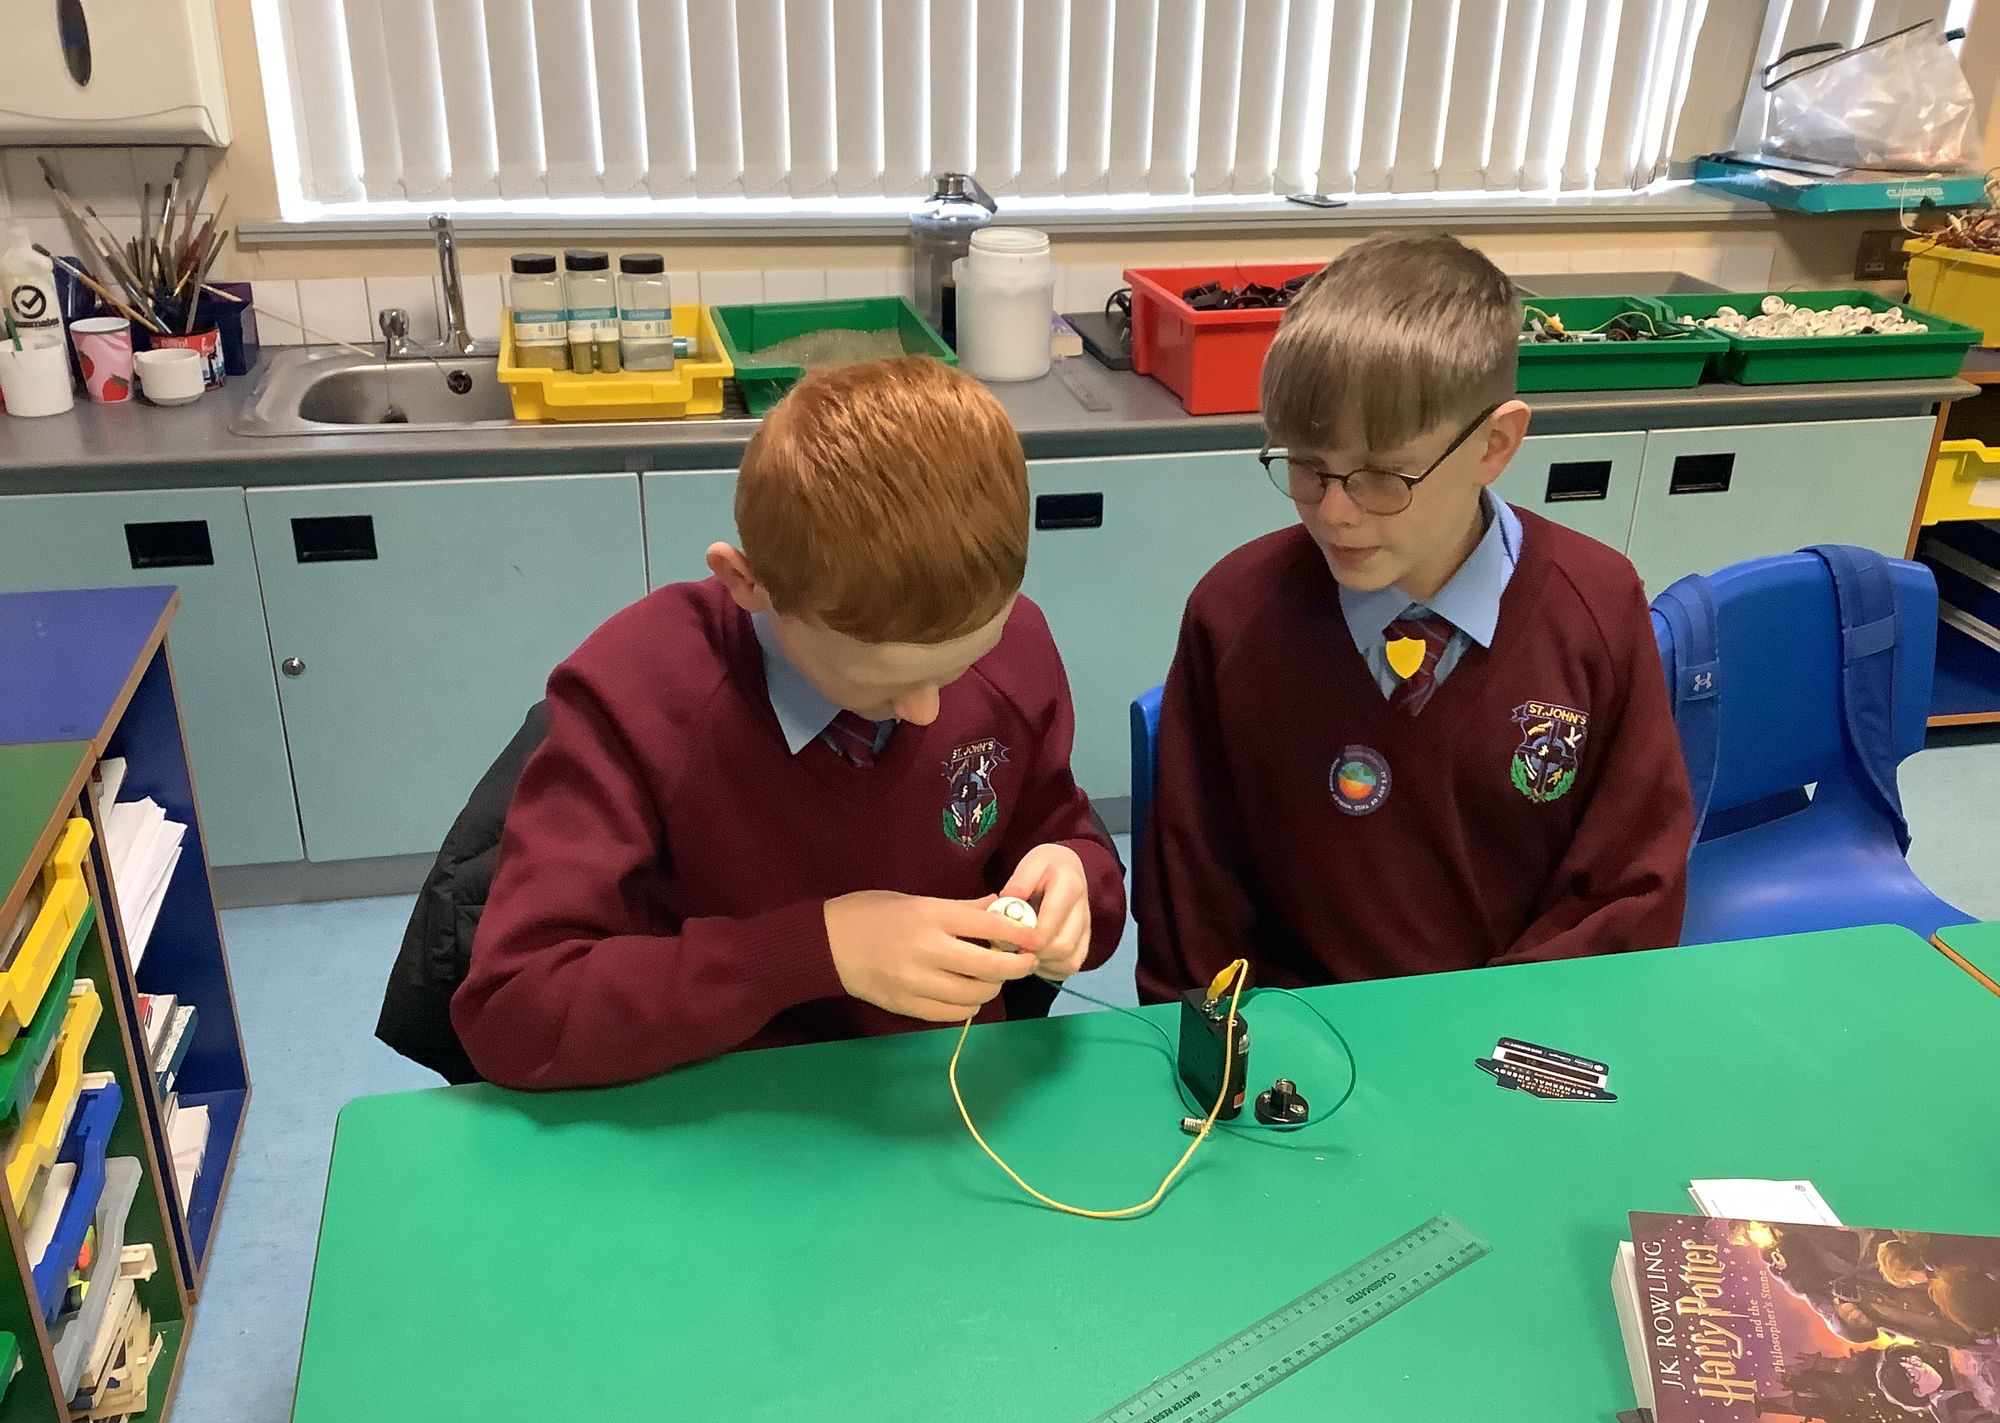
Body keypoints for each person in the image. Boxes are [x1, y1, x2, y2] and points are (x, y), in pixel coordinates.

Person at [456, 357, 1127, 1089]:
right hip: (715, 1103)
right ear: (748, 583)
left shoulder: (1015, 649)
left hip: (936, 1095)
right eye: (883, 680)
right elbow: (516, 1014)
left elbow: (1062, 832)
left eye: (962, 663)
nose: (929, 711)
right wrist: (815, 950)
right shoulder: (637, 691)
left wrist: (1076, 880)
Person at [1137, 233, 1691, 1001]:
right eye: (1306, 465)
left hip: (1513, 1030)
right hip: (1300, 1038)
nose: (1335, 512)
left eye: (1382, 476)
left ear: (1495, 444)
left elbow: (1628, 890)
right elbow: (1193, 905)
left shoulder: (1597, 604)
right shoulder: (1233, 617)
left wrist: (1486, 1034)